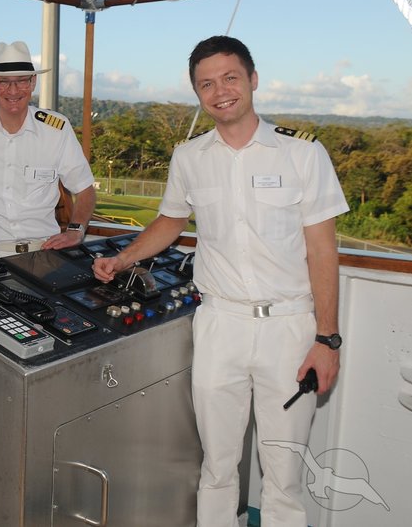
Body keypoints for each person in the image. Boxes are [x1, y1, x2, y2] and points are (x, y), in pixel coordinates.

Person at [92, 36, 348, 527]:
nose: (220, 91)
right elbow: (171, 221)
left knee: (284, 477)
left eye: (230, 78)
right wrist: (123, 259)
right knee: (216, 467)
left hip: (288, 328)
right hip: (219, 324)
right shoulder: (189, 156)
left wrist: (327, 339)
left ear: (253, 79)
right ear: (197, 93)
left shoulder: (302, 153)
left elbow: (322, 249)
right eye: (206, 84)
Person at [0, 40, 96, 258]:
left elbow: (85, 188)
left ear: (33, 82)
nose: (13, 91)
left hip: (44, 253)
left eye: (22, 81)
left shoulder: (56, 130)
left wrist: (75, 231)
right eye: (3, 82)